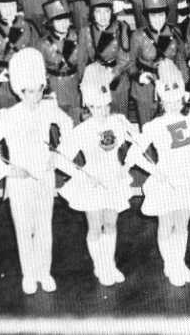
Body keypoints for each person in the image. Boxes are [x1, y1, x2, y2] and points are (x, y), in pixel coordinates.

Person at [0, 47, 73, 295]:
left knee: (44, 227)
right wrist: (5, 170)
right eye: (29, 92)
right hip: (19, 183)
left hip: (44, 178)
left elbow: (69, 125)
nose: (35, 97)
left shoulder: (49, 108)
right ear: (19, 91)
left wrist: (58, 156)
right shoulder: (8, 116)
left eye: (39, 90)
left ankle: (44, 272)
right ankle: (29, 274)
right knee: (24, 228)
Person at [129, 58, 190, 286]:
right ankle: (169, 263)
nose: (173, 104)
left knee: (182, 223)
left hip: (188, 176)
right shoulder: (154, 125)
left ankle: (179, 262)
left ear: (183, 97)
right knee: (167, 223)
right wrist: (154, 170)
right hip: (166, 178)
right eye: (167, 100)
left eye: (176, 99)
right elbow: (133, 154)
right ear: (160, 100)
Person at [58, 64, 137, 286]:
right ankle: (99, 266)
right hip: (91, 181)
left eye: (104, 107)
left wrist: (126, 166)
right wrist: (82, 175)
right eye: (95, 108)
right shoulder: (82, 130)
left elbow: (140, 143)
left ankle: (109, 263)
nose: (101, 112)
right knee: (95, 226)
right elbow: (60, 158)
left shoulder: (118, 122)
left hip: (114, 178)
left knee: (111, 224)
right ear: (88, 107)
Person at [128, 0, 185, 124]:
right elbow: (129, 63)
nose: (157, 19)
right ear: (147, 17)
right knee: (147, 129)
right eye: (153, 16)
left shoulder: (175, 32)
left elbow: (181, 61)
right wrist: (137, 76)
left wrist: (184, 87)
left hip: (170, 88)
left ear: (166, 15)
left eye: (161, 15)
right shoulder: (138, 36)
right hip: (146, 90)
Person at [36, 0, 85, 120]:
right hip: (55, 87)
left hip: (74, 87)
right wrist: (46, 91)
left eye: (66, 19)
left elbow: (83, 63)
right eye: (58, 20)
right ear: (51, 23)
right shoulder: (42, 44)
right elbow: (40, 70)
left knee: (77, 122)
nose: (63, 23)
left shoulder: (78, 38)